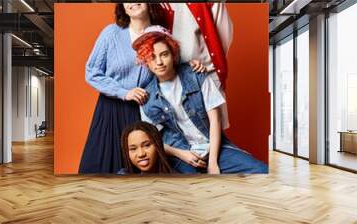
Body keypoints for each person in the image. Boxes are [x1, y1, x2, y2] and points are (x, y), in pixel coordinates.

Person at [133, 26, 268, 174]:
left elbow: (215, 121)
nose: (159, 62)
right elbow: (153, 140)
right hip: (179, 153)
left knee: (260, 170)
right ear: (146, 61)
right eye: (152, 57)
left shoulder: (197, 75)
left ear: (173, 53)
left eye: (164, 54)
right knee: (194, 185)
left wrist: (213, 163)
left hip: (214, 146)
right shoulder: (147, 96)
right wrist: (182, 154)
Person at [78, 3, 167, 173]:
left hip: (142, 111)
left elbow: (170, 67)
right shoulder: (111, 33)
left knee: (139, 168)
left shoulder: (159, 34)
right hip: (110, 109)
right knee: (101, 166)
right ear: (123, 8)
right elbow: (92, 72)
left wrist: (193, 63)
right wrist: (124, 92)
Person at [161, 3, 233, 129]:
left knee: (214, 134)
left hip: (207, 74)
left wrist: (213, 68)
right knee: (182, 134)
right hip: (173, 78)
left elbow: (224, 36)